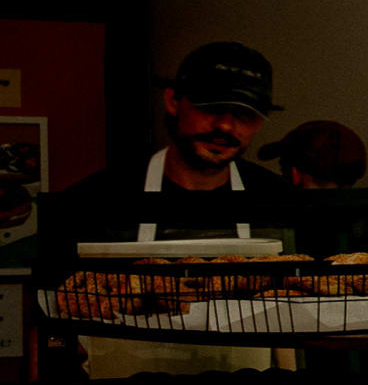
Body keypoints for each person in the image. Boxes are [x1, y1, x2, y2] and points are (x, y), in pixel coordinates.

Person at [32, 42, 283, 264]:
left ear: (259, 122)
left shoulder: (279, 201)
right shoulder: (94, 200)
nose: (225, 126)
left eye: (244, 114)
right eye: (212, 108)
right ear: (173, 101)